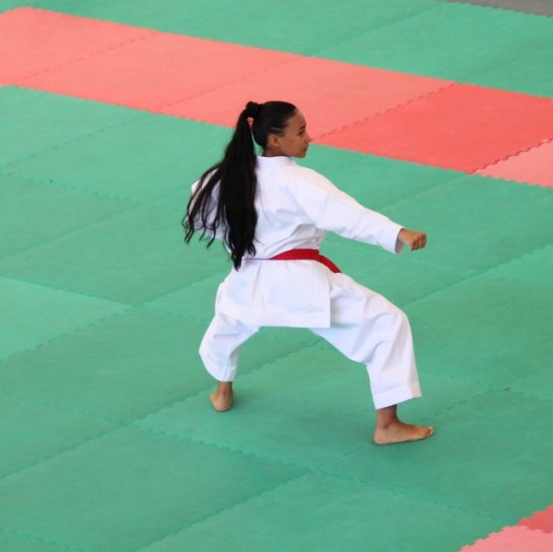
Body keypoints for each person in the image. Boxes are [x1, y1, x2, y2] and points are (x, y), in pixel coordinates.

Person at [183, 100, 433, 445]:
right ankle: (387, 425)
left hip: (247, 280)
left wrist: (237, 238)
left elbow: (199, 218)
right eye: (300, 132)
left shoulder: (224, 177)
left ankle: (222, 392)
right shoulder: (297, 180)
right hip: (299, 284)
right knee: (388, 323)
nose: (309, 138)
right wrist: (397, 233)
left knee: (228, 323)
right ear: (274, 140)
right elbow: (348, 216)